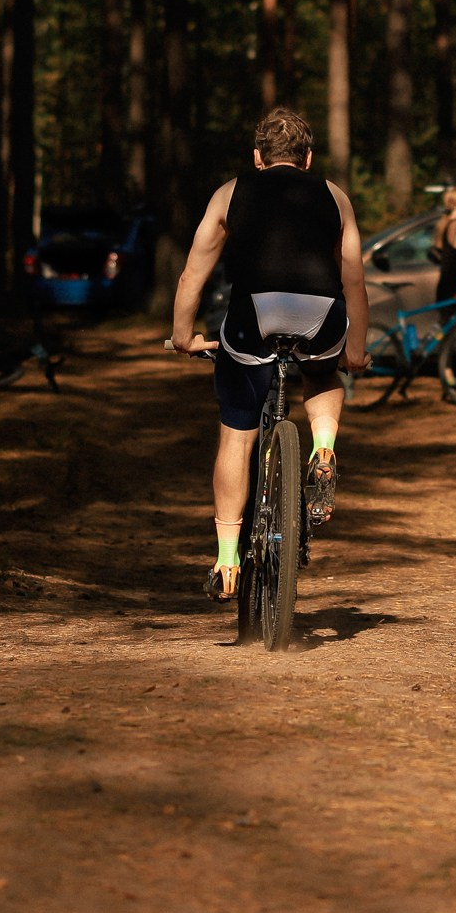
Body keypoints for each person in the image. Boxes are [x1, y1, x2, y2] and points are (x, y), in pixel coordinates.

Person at [169, 108, 370, 602]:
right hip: (321, 314)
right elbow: (355, 281)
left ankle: (226, 558)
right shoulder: (334, 196)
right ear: (308, 158)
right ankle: (323, 449)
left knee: (237, 434)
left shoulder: (229, 193)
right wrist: (357, 351)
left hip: (253, 314)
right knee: (322, 373)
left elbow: (193, 274)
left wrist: (182, 337)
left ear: (257, 157)